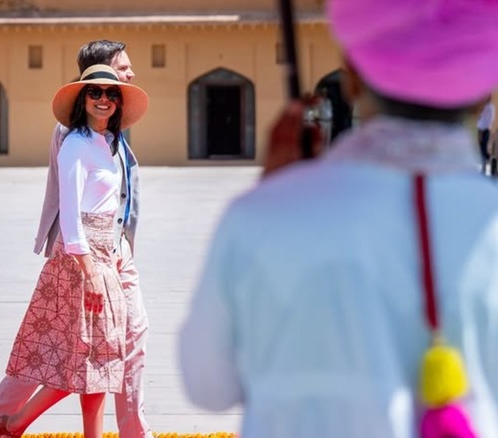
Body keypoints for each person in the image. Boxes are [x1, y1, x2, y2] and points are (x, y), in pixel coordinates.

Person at [179, 0, 498, 437]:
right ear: (485, 91)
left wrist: (275, 197)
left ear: (349, 76)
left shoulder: (261, 220)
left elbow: (206, 385)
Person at [0, 40, 153, 438]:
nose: (113, 90)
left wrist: (118, 248)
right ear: (88, 85)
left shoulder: (111, 137)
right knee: (80, 353)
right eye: (102, 86)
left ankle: (3, 418)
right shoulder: (74, 137)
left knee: (106, 348)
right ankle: (7, 419)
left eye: (112, 91)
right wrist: (86, 265)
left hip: (113, 250)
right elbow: (70, 206)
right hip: (85, 254)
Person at [477, 96, 495, 169]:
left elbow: (483, 119)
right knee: (484, 146)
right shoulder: (490, 107)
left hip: (483, 128)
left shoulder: (487, 107)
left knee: (483, 147)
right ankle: (486, 163)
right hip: (485, 128)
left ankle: (485, 163)